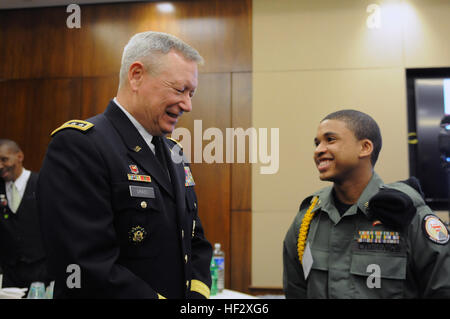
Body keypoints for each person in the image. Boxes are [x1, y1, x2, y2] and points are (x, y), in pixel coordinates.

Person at [37, 31, 212, 299]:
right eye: (180, 90)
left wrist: (196, 298)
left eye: (192, 93)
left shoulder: (173, 152)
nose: (187, 105)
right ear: (136, 75)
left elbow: (195, 241)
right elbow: (86, 265)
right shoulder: (79, 146)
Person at [283, 109, 450, 298]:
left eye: (330, 140)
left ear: (365, 147)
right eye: (317, 143)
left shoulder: (407, 213)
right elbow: (295, 289)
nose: (318, 150)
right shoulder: (309, 217)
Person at [0, 139, 51, 288]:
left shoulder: (42, 183)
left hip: (41, 270)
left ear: (19, 156)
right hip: (9, 273)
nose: (0, 166)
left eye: (4, 159)